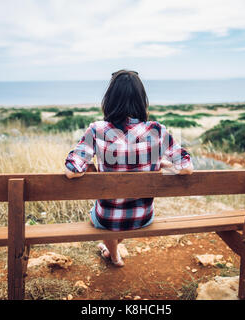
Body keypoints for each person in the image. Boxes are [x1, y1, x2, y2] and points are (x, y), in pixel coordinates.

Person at [64, 69, 193, 267]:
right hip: (142, 217)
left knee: (102, 215)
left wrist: (88, 168)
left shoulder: (97, 130)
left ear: (110, 99)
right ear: (142, 100)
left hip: (107, 219)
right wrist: (164, 163)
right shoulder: (157, 130)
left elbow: (71, 171)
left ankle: (114, 255)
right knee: (120, 215)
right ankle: (112, 253)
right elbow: (187, 168)